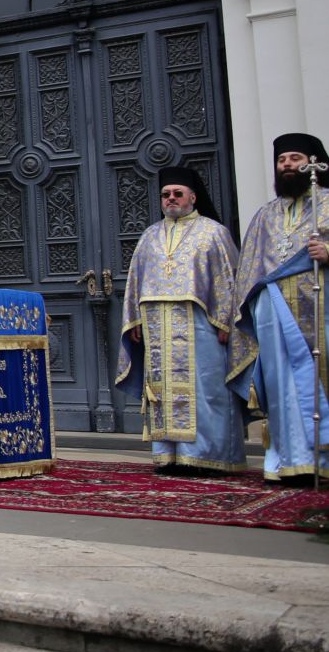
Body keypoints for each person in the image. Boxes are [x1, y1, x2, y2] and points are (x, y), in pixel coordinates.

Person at [115, 166, 244, 475]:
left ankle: (208, 456)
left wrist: (227, 321)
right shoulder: (150, 235)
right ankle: (170, 455)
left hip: (200, 325)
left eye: (177, 193)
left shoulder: (214, 232)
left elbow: (229, 279)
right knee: (163, 392)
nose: (171, 199)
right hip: (157, 326)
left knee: (205, 391)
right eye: (165, 194)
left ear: (193, 197)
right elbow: (136, 280)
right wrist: (133, 320)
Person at [230, 133, 329, 484]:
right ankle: (288, 459)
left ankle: (321, 460)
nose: (286, 165)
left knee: (317, 378)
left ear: (313, 163)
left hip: (319, 309)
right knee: (279, 385)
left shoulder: (327, 203)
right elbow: (249, 270)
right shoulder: (265, 214)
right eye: (281, 159)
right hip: (272, 313)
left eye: (294, 158)